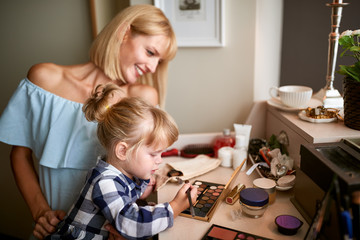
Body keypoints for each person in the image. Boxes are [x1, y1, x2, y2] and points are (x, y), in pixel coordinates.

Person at [0, 4, 177, 239]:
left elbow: (141, 169)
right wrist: (40, 211)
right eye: (151, 53)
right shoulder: (43, 79)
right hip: (56, 231)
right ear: (124, 33)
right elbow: (19, 155)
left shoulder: (144, 98)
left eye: (160, 61)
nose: (153, 68)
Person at [46, 84, 197, 239]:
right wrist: (176, 207)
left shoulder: (121, 172)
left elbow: (127, 199)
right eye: (153, 155)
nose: (159, 161)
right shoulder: (105, 182)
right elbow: (133, 223)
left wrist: (144, 187)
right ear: (123, 151)